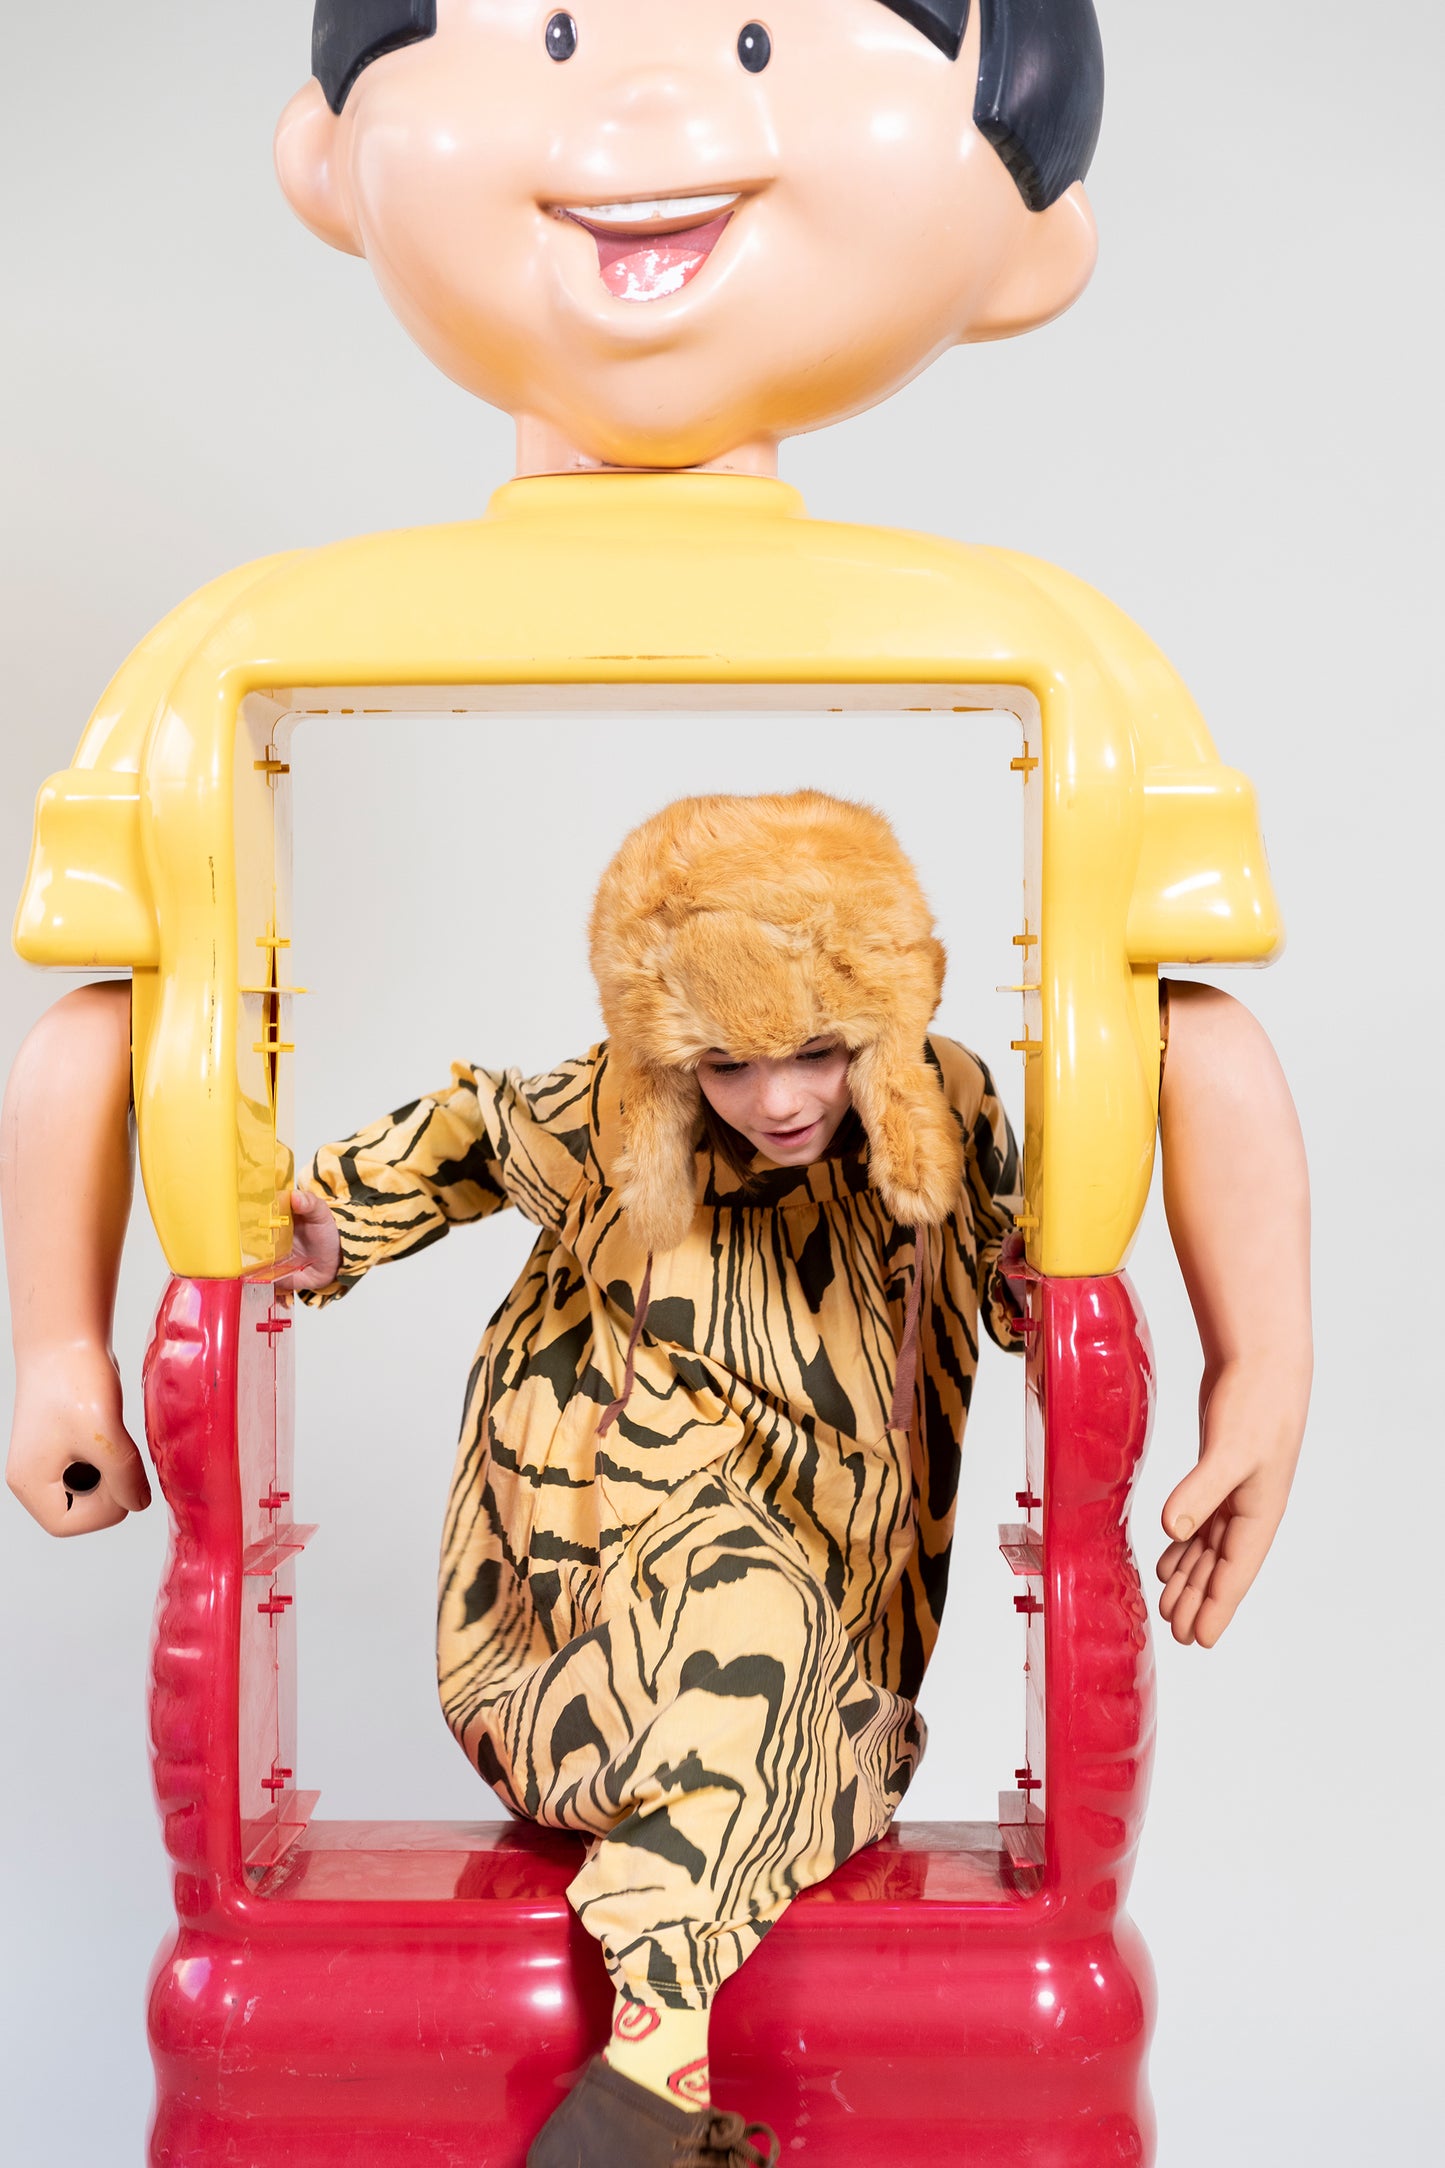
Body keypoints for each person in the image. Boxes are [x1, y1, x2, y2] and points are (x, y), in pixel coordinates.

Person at [1, 5, 1313, 2163]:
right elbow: (241, 1094)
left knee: (792, 1661)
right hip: (574, 1640)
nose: (780, 1099)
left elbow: (1174, 1039)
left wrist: (1260, 1378)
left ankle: (667, 2037)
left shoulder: (944, 1128)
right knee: (734, 1603)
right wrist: (106, 1329)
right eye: (730, 1057)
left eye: (821, 1051)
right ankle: (651, 2084)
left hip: (825, 1695)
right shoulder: (597, 1123)